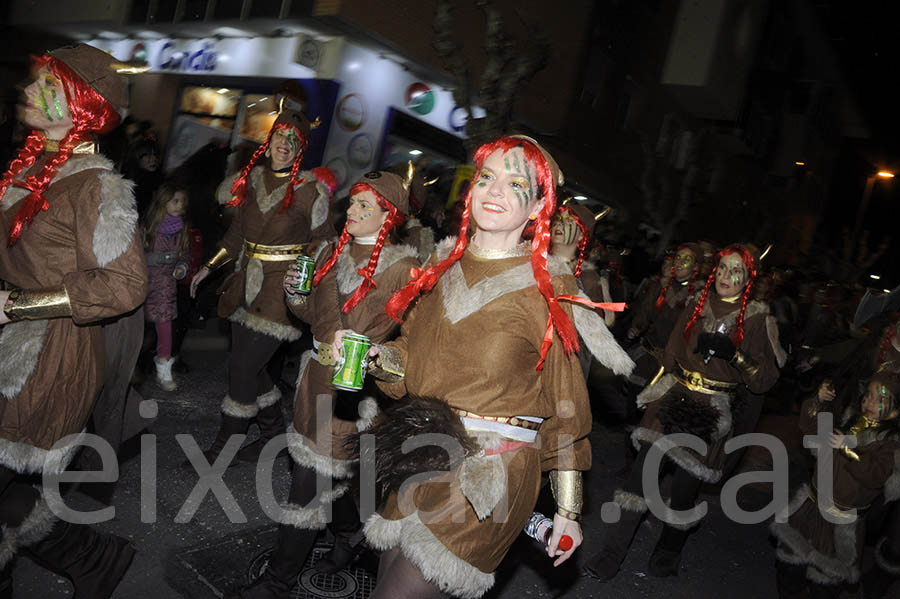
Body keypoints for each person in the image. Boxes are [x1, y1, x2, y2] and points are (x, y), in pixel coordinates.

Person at [333, 135, 633, 598]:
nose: (494, 191)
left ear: (537, 206)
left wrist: (568, 511)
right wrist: (373, 356)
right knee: (387, 570)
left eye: (515, 184)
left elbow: (567, 407)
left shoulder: (550, 286)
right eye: (487, 178)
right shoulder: (440, 264)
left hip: (488, 475)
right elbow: (407, 360)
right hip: (421, 448)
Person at [230, 167, 421, 598]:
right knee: (320, 473)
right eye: (352, 202)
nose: (350, 210)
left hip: (353, 391)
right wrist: (297, 295)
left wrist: (383, 360)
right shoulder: (330, 251)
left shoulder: (403, 269)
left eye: (363, 205)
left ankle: (278, 581)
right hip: (312, 378)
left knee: (307, 485)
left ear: (388, 216)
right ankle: (350, 536)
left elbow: (414, 339)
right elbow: (309, 315)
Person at [0, 43, 148, 597]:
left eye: (47, 85)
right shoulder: (34, 165)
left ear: (80, 105)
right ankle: (91, 558)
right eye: (33, 79)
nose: (27, 89)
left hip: (45, 359)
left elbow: (125, 285)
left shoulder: (96, 186)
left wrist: (17, 306)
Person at [584, 244, 780, 581]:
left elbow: (764, 380)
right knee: (638, 479)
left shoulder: (759, 320)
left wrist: (736, 357)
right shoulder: (696, 304)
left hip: (712, 415)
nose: (726, 277)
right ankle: (611, 554)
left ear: (748, 279)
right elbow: (672, 353)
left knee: (685, 491)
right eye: (722, 268)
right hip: (674, 400)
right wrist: (652, 388)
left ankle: (668, 550)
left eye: (736, 271)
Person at [190, 108, 332, 464]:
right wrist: (207, 268)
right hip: (244, 280)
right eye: (280, 137)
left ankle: (226, 445)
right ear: (268, 145)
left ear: (300, 150)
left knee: (241, 368)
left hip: (279, 290)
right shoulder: (250, 181)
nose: (285, 144)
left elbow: (324, 241)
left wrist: (302, 277)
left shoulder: (309, 191)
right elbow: (236, 235)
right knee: (252, 367)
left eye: (293, 141)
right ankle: (272, 434)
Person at [772, 374, 900, 598]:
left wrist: (848, 450)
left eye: (879, 399)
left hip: (841, 524)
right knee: (788, 568)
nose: (869, 402)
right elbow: (813, 433)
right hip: (809, 510)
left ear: (896, 410)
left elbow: (875, 474)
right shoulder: (851, 422)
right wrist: (819, 403)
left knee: (824, 584)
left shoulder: (890, 445)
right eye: (867, 395)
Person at [143, 183, 192, 391]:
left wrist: (182, 266)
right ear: (163, 203)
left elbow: (185, 255)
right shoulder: (148, 228)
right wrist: (159, 258)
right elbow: (135, 255)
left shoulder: (182, 230)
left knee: (165, 329)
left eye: (182, 202)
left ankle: (164, 370)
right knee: (141, 332)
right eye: (175, 201)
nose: (180, 206)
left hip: (165, 288)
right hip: (143, 286)